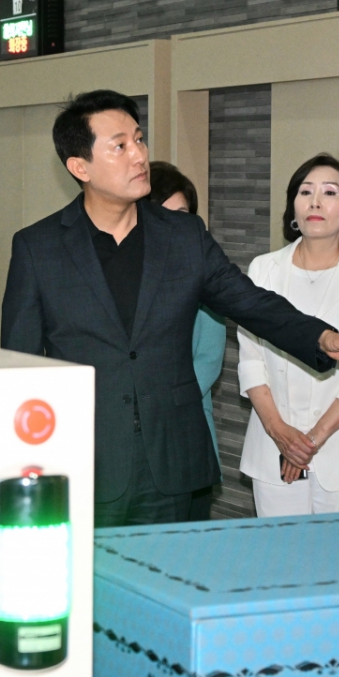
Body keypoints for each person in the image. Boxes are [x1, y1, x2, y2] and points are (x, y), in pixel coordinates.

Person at [1, 90, 339, 527]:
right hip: (84, 458)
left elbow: (251, 302)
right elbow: (20, 367)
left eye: (139, 139)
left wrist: (324, 337)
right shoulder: (39, 248)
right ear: (80, 167)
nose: (139, 155)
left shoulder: (182, 235)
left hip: (172, 458)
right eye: (120, 146)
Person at [239, 155, 339, 516]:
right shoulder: (263, 269)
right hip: (273, 451)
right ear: (293, 206)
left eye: (330, 192)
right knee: (280, 552)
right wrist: (280, 433)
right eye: (305, 192)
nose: (315, 202)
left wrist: (307, 443)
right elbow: (251, 362)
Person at [146, 161, 227, 521]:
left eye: (182, 215)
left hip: (184, 435)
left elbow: (207, 361)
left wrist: (149, 400)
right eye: (162, 214)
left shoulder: (202, 273)